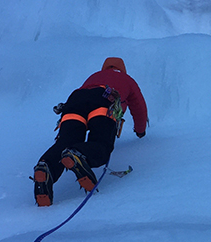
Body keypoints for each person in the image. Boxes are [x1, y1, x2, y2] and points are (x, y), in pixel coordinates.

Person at [33, 57, 147, 206]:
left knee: (65, 143)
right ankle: (78, 154)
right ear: (123, 69)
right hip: (104, 100)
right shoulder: (126, 79)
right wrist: (140, 131)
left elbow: (86, 95)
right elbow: (139, 107)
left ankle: (46, 166)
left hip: (74, 102)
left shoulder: (94, 76)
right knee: (101, 143)